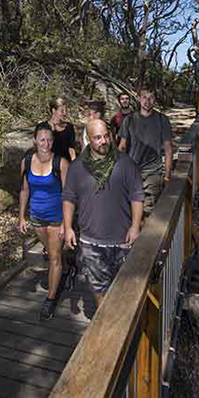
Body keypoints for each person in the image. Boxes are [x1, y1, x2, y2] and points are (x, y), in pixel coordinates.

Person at [63, 119, 144, 305]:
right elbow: (68, 198)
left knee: (126, 290)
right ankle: (105, 322)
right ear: (88, 140)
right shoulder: (77, 167)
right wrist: (68, 228)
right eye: (97, 138)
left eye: (106, 136)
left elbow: (137, 197)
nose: (103, 141)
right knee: (99, 288)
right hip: (91, 241)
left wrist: (135, 226)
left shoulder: (126, 163)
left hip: (122, 240)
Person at [19, 122, 71, 320]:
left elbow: (68, 195)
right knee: (50, 251)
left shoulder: (61, 163)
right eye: (42, 139)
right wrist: (21, 217)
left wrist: (67, 224)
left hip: (57, 217)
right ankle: (66, 268)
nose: (46, 143)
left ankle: (50, 299)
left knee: (54, 256)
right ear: (35, 141)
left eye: (49, 139)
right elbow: (24, 190)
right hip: (37, 217)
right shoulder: (26, 161)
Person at [118, 87, 173, 213]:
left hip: (153, 172)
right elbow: (122, 147)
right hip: (132, 171)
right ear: (139, 98)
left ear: (155, 100)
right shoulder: (129, 120)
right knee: (131, 209)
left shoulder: (162, 120)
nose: (147, 101)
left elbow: (168, 148)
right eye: (144, 97)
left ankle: (145, 232)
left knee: (148, 210)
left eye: (151, 97)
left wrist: (167, 175)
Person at [45, 97, 76, 161]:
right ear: (54, 110)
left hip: (66, 163)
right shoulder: (43, 127)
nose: (65, 113)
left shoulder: (69, 127)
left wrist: (74, 166)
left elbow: (72, 150)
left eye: (65, 110)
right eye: (62, 111)